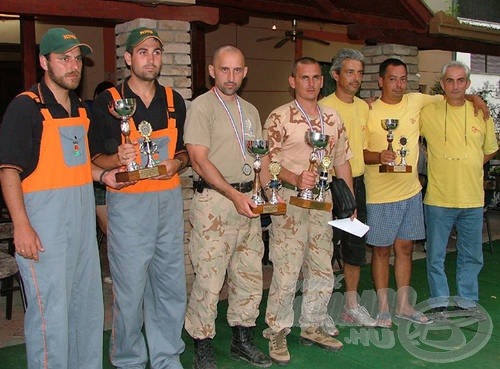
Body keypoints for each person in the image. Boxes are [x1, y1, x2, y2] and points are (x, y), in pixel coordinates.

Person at [0, 27, 121, 369]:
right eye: (63, 59)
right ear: (44, 62)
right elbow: (8, 170)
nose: (73, 66)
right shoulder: (26, 108)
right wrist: (22, 228)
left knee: (86, 310)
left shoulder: (79, 110)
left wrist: (103, 175)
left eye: (77, 59)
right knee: (49, 318)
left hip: (82, 231)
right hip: (45, 233)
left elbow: (79, 167)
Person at [89, 27, 188, 369]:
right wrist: (117, 158)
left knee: (170, 284)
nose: (151, 58)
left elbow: (185, 152)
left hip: (168, 203)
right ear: (128, 58)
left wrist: (177, 162)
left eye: (156, 52)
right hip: (129, 205)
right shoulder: (107, 102)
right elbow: (94, 159)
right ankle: (129, 359)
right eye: (143, 52)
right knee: (130, 290)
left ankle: (166, 356)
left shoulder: (175, 101)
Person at [260, 57, 354, 365]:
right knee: (287, 271)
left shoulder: (332, 118)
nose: (311, 83)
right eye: (304, 78)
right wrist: (295, 178)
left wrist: (350, 203)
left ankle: (312, 324)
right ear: (292, 81)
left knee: (322, 267)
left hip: (322, 204)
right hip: (290, 202)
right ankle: (277, 329)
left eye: (316, 78)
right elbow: (266, 163)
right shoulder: (279, 117)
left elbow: (341, 161)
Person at [184, 45, 271, 369]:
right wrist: (234, 196)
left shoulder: (250, 110)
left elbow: (258, 160)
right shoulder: (201, 107)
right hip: (216, 203)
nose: (231, 77)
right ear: (212, 70)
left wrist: (261, 194)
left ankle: (242, 340)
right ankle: (202, 347)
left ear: (245, 72)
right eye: (224, 70)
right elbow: (198, 159)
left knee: (249, 275)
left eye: (237, 71)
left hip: (248, 202)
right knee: (209, 279)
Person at [363, 58, 443, 327]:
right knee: (382, 251)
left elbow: (450, 97)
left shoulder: (416, 101)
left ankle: (404, 305)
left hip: (411, 191)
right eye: (393, 79)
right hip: (380, 194)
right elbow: (357, 153)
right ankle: (384, 309)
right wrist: (378, 156)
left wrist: (474, 99)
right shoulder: (368, 110)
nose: (399, 84)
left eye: (403, 78)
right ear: (380, 81)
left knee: (406, 249)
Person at [420, 61, 498, 312]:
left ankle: (467, 300)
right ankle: (440, 302)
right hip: (438, 199)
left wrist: (470, 162)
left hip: (472, 199)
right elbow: (400, 102)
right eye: (450, 81)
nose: (455, 86)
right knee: (435, 256)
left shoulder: (481, 113)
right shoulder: (428, 110)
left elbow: (489, 150)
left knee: (471, 255)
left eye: (460, 80)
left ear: (467, 83)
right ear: (442, 84)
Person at [319, 48, 377, 327]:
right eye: (350, 72)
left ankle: (352, 305)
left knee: (355, 247)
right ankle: (321, 309)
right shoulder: (323, 107)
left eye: (359, 72)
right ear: (336, 75)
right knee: (325, 249)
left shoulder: (365, 107)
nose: (355, 78)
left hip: (357, 185)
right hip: (329, 186)